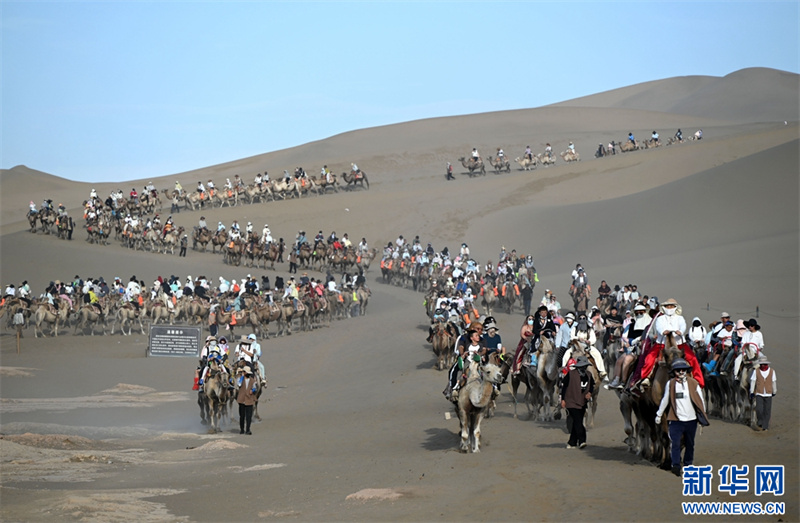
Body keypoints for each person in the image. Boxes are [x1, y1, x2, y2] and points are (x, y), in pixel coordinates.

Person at [655, 358, 709, 476]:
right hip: (676, 420)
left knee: (690, 443)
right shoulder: (671, 384)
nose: (680, 372)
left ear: (686, 371)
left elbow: (700, 400)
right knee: (675, 443)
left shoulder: (694, 383)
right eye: (678, 370)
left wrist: (702, 415)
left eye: (683, 370)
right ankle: (675, 465)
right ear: (674, 372)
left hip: (691, 420)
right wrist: (659, 414)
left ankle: (688, 464)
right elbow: (665, 400)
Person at [560, 356, 595, 449]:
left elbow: (592, 386)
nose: (583, 368)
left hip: (582, 401)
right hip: (571, 400)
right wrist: (563, 399)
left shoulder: (589, 375)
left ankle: (572, 442)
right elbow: (564, 387)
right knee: (578, 420)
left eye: (585, 366)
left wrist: (590, 393)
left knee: (577, 421)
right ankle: (582, 440)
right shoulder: (571, 374)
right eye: (581, 366)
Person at [749, 354, 776, 431]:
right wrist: (751, 392)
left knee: (767, 410)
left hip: (768, 393)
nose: (763, 365)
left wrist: (774, 391)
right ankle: (760, 421)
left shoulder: (772, 371)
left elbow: (773, 382)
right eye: (762, 364)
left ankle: (765, 426)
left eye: (765, 364)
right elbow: (753, 381)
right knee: (759, 409)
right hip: (759, 393)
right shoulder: (756, 371)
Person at [236, 365, 258, 435]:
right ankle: (242, 429)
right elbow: (239, 384)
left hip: (249, 399)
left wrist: (253, 390)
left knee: (249, 416)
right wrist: (242, 376)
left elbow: (255, 387)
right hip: (241, 400)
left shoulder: (252, 380)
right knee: (242, 416)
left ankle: (248, 429)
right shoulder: (240, 379)